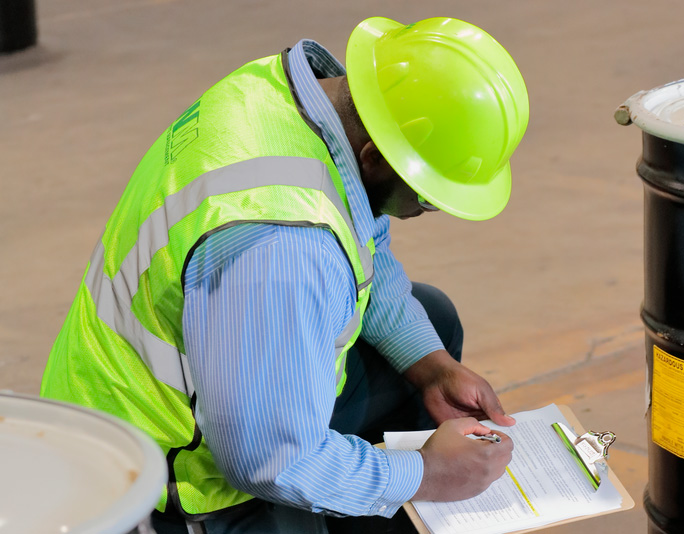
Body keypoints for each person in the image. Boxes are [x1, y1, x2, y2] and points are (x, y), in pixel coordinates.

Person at [40, 15, 529, 534]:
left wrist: (428, 363)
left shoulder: (280, 96)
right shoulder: (284, 250)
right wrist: (424, 475)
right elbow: (266, 462)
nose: (424, 211)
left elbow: (366, 241)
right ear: (374, 157)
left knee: (432, 319)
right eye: (428, 198)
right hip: (155, 479)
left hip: (144, 396)